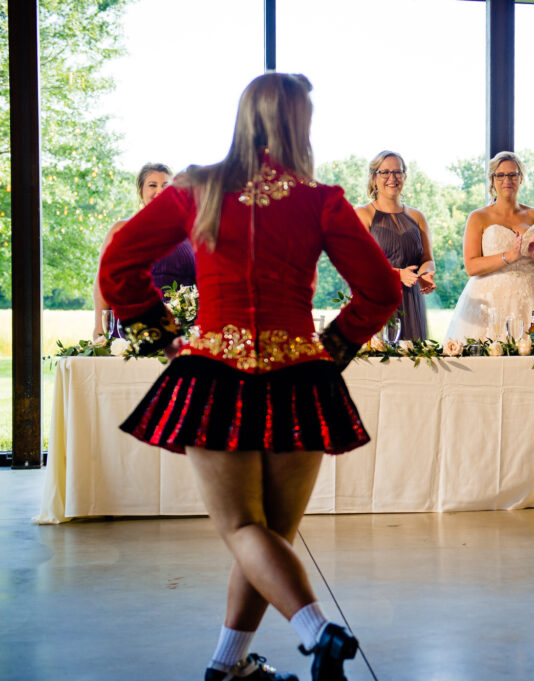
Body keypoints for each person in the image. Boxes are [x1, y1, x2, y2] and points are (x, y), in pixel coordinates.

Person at [98, 73, 401, 681]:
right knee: (272, 534)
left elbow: (118, 265)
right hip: (300, 379)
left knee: (243, 529)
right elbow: (382, 290)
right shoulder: (323, 200)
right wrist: (333, 346)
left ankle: (311, 637)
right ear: (296, 124)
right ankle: (231, 666)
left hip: (215, 373)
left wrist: (162, 335)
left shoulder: (197, 188)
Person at [444, 151, 534, 341]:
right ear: (492, 180)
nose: (507, 180)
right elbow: (471, 267)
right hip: (489, 301)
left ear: (520, 178)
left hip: (531, 299)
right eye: (500, 175)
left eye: (512, 174)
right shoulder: (478, 217)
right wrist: (508, 256)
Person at [92, 162, 196, 339]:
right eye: (152, 185)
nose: (159, 191)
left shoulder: (190, 232)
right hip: (133, 328)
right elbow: (103, 280)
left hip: (183, 329)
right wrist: (99, 328)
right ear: (141, 191)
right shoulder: (121, 229)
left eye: (166, 186)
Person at [355, 150, 435, 340]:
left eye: (398, 172)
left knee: (414, 361)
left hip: (412, 301)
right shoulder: (362, 214)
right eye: (385, 172)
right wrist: (398, 274)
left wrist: (425, 274)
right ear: (374, 178)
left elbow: (428, 259)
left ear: (404, 176)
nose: (392, 178)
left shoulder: (417, 216)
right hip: (377, 300)